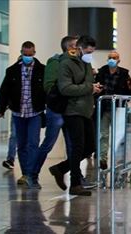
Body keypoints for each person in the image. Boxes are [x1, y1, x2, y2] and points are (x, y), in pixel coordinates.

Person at [49, 35, 102, 196]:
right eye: (88, 51)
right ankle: (75, 184)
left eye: (92, 51)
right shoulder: (66, 64)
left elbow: (86, 84)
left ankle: (60, 168)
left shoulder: (86, 63)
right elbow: (65, 88)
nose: (90, 54)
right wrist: (89, 88)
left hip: (86, 110)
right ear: (79, 48)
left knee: (91, 147)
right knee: (78, 146)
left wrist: (93, 87)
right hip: (72, 111)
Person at [28, 36, 78, 187]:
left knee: (72, 145)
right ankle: (32, 175)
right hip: (56, 109)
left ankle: (76, 178)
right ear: (69, 47)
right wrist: (66, 88)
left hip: (71, 109)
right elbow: (49, 86)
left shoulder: (78, 63)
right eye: (77, 45)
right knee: (48, 143)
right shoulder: (55, 62)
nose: (79, 48)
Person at [0, 41, 46, 189]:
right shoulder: (12, 71)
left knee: (33, 144)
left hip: (35, 112)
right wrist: (0, 108)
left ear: (34, 53)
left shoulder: (42, 70)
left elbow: (47, 90)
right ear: (21, 52)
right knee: (21, 144)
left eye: (30, 55)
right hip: (18, 112)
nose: (27, 57)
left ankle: (31, 174)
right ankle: (26, 174)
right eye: (25, 54)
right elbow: (4, 91)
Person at [94, 50, 131, 170]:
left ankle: (118, 158)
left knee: (119, 135)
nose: (112, 59)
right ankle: (103, 159)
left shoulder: (124, 74)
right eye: (110, 57)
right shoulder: (102, 72)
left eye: (115, 57)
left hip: (118, 108)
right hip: (104, 108)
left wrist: (123, 102)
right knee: (104, 134)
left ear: (119, 60)